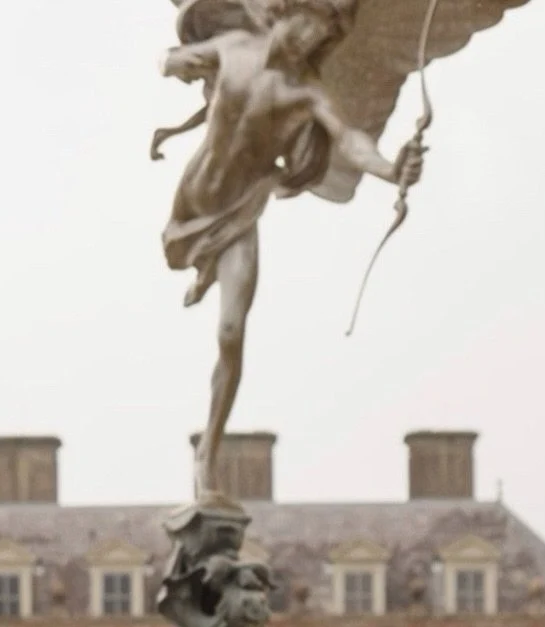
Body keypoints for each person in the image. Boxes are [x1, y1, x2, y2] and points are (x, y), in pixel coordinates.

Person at [159, 0, 423, 499]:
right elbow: (173, 61)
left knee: (232, 330)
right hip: (194, 202)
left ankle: (207, 458)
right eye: (310, 23)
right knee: (192, 271)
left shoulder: (307, 93)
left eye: (323, 34)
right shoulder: (234, 48)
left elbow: (350, 142)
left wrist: (392, 170)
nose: (311, 38)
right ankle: (202, 270)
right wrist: (178, 61)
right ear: (284, 13)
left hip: (242, 208)